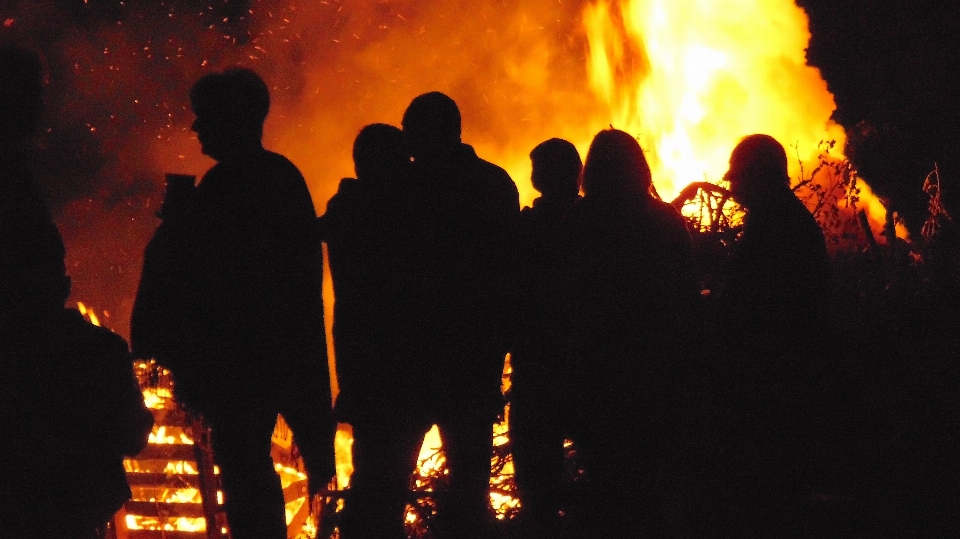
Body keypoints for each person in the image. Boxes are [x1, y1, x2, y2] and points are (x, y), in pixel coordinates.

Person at [130, 68, 333, 539]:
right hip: (269, 352)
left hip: (244, 357)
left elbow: (223, 274)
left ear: (236, 119)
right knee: (245, 469)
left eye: (205, 117)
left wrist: (181, 227)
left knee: (245, 469)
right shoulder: (277, 177)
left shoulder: (234, 184)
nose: (197, 128)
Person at [559, 128, 698, 538]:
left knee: (604, 479)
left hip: (595, 372)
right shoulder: (664, 222)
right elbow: (685, 297)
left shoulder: (580, 221)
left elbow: (566, 299)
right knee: (646, 481)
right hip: (653, 372)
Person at [401, 91, 520, 539]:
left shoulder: (404, 189)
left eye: (412, 132)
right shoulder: (492, 183)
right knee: (471, 492)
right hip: (472, 365)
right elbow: (508, 277)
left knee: (387, 489)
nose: (408, 143)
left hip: (412, 366)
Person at [714, 134, 832, 537]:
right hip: (789, 377)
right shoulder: (783, 219)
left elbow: (752, 308)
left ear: (755, 176)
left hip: (775, 382)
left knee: (767, 494)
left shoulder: (774, 227)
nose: (731, 187)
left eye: (738, 178)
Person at [319, 123, 426, 539]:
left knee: (376, 486)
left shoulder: (348, 209)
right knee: (385, 489)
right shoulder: (409, 211)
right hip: (403, 372)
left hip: (366, 370)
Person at [509, 138, 582, 538]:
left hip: (539, 373)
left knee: (538, 490)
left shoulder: (530, 229)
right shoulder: (598, 225)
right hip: (593, 372)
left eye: (538, 166)